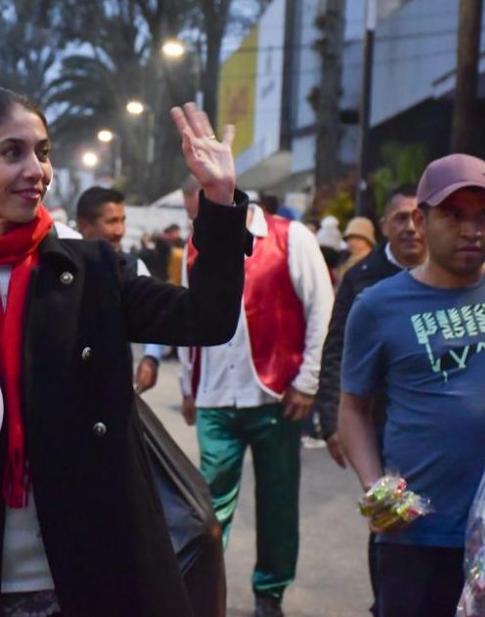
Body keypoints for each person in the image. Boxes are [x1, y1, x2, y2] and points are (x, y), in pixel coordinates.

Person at [0, 88, 251, 616]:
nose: (36, 169)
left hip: (86, 573)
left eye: (43, 151)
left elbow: (208, 319)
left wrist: (219, 199)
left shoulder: (94, 270)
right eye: (12, 152)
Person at [339, 154, 485, 617]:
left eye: (483, 214)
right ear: (421, 220)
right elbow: (352, 410)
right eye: (453, 214)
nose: (472, 228)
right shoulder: (377, 305)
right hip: (417, 531)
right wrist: (375, 487)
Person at [179, 184, 334, 617]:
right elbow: (187, 317)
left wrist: (308, 381)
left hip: (274, 393)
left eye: (194, 194)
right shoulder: (195, 244)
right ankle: (201, 592)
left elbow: (322, 308)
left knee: (278, 502)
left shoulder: (291, 236)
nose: (189, 205)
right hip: (215, 397)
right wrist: (188, 386)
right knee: (206, 508)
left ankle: (270, 592)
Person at [314, 183, 425, 614]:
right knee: (393, 529)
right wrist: (335, 422)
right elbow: (337, 349)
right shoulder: (366, 285)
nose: (474, 230)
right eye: (402, 218)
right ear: (383, 226)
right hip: (390, 433)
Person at [76, 186, 163, 394]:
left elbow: (156, 315)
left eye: (122, 220)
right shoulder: (59, 267)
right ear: (85, 226)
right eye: (112, 222)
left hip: (114, 388)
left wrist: (151, 358)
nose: (120, 231)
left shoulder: (132, 267)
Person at [335, 216, 375, 283]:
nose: (352, 243)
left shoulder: (373, 261)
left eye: (358, 239)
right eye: (350, 239)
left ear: (368, 241)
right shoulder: (344, 258)